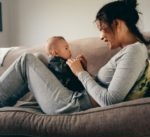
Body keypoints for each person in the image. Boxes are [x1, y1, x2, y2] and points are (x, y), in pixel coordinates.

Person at [0, 0, 149, 115]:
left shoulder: (134, 52)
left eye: (102, 29)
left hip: (73, 104)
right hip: (77, 98)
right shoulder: (132, 51)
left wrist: (81, 73)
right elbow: (105, 88)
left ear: (117, 24)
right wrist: (85, 72)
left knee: (27, 60)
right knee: (39, 57)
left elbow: (109, 100)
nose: (101, 36)